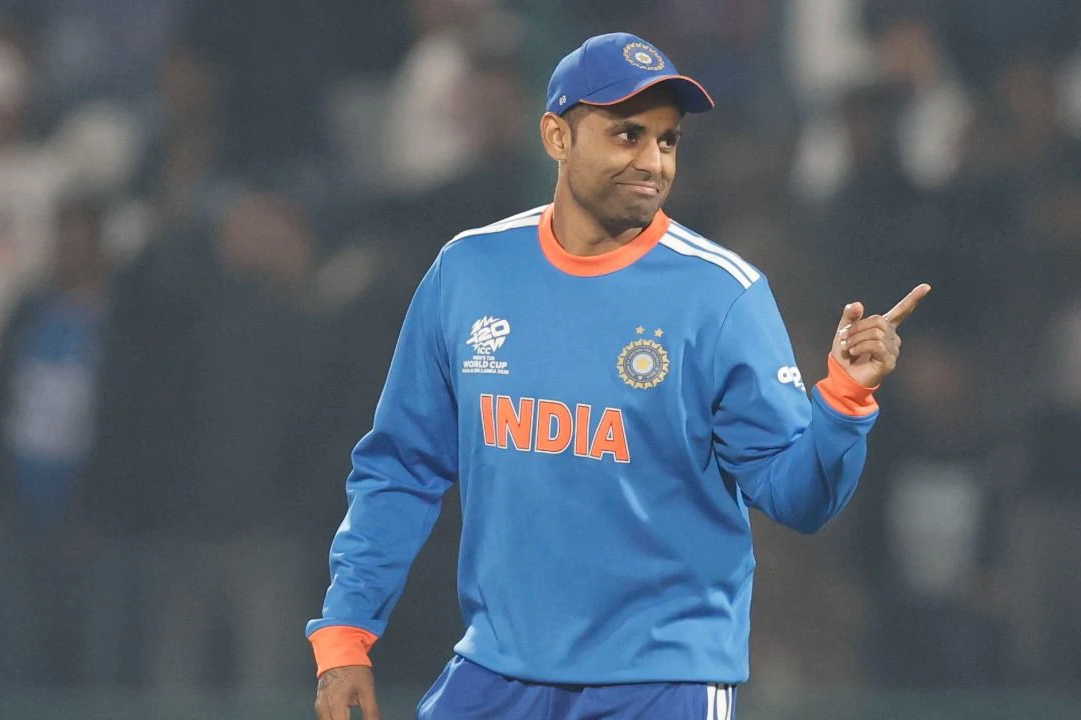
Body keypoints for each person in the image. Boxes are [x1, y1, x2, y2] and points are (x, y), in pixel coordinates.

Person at [308, 32, 928, 719]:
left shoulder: (720, 295)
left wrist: (844, 397)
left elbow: (798, 497)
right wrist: (345, 634)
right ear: (557, 136)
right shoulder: (469, 272)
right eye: (628, 134)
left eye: (668, 140)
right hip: (498, 668)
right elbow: (400, 467)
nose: (653, 161)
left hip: (659, 681)